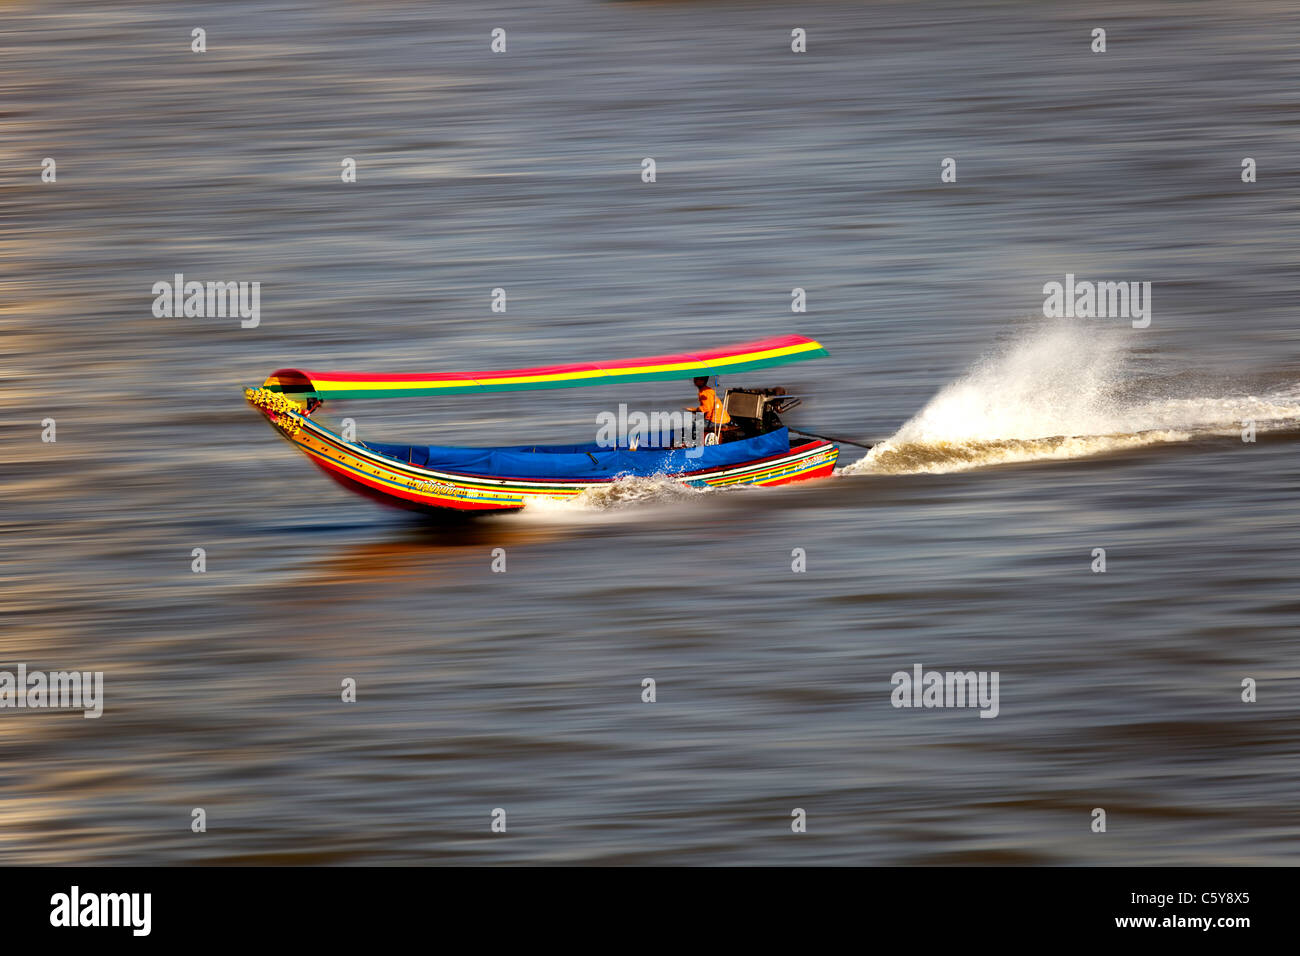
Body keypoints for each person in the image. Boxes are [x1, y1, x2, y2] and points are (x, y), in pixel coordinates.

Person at [687, 376, 734, 443]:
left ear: (703, 381)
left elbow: (706, 408)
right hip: (723, 419)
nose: (694, 381)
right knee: (698, 419)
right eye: (695, 379)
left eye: (697, 379)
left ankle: (693, 442)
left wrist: (694, 410)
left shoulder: (704, 392)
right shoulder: (708, 390)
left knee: (694, 424)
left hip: (716, 420)